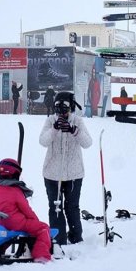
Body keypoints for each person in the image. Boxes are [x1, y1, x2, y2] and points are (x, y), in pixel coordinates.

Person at [39, 91, 92, 245]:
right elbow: (43, 141)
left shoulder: (78, 121)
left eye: (65, 108)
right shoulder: (50, 121)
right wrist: (54, 129)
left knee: (72, 207)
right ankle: (58, 239)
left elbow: (88, 143)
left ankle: (76, 237)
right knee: (55, 206)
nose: (62, 112)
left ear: (71, 108)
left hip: (74, 173)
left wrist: (74, 130)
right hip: (52, 173)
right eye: (58, 108)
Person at [0, 158, 52, 263]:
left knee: (8, 235)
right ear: (15, 173)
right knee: (43, 227)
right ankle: (41, 256)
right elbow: (26, 210)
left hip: (1, 222)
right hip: (16, 223)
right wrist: (35, 221)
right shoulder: (15, 191)